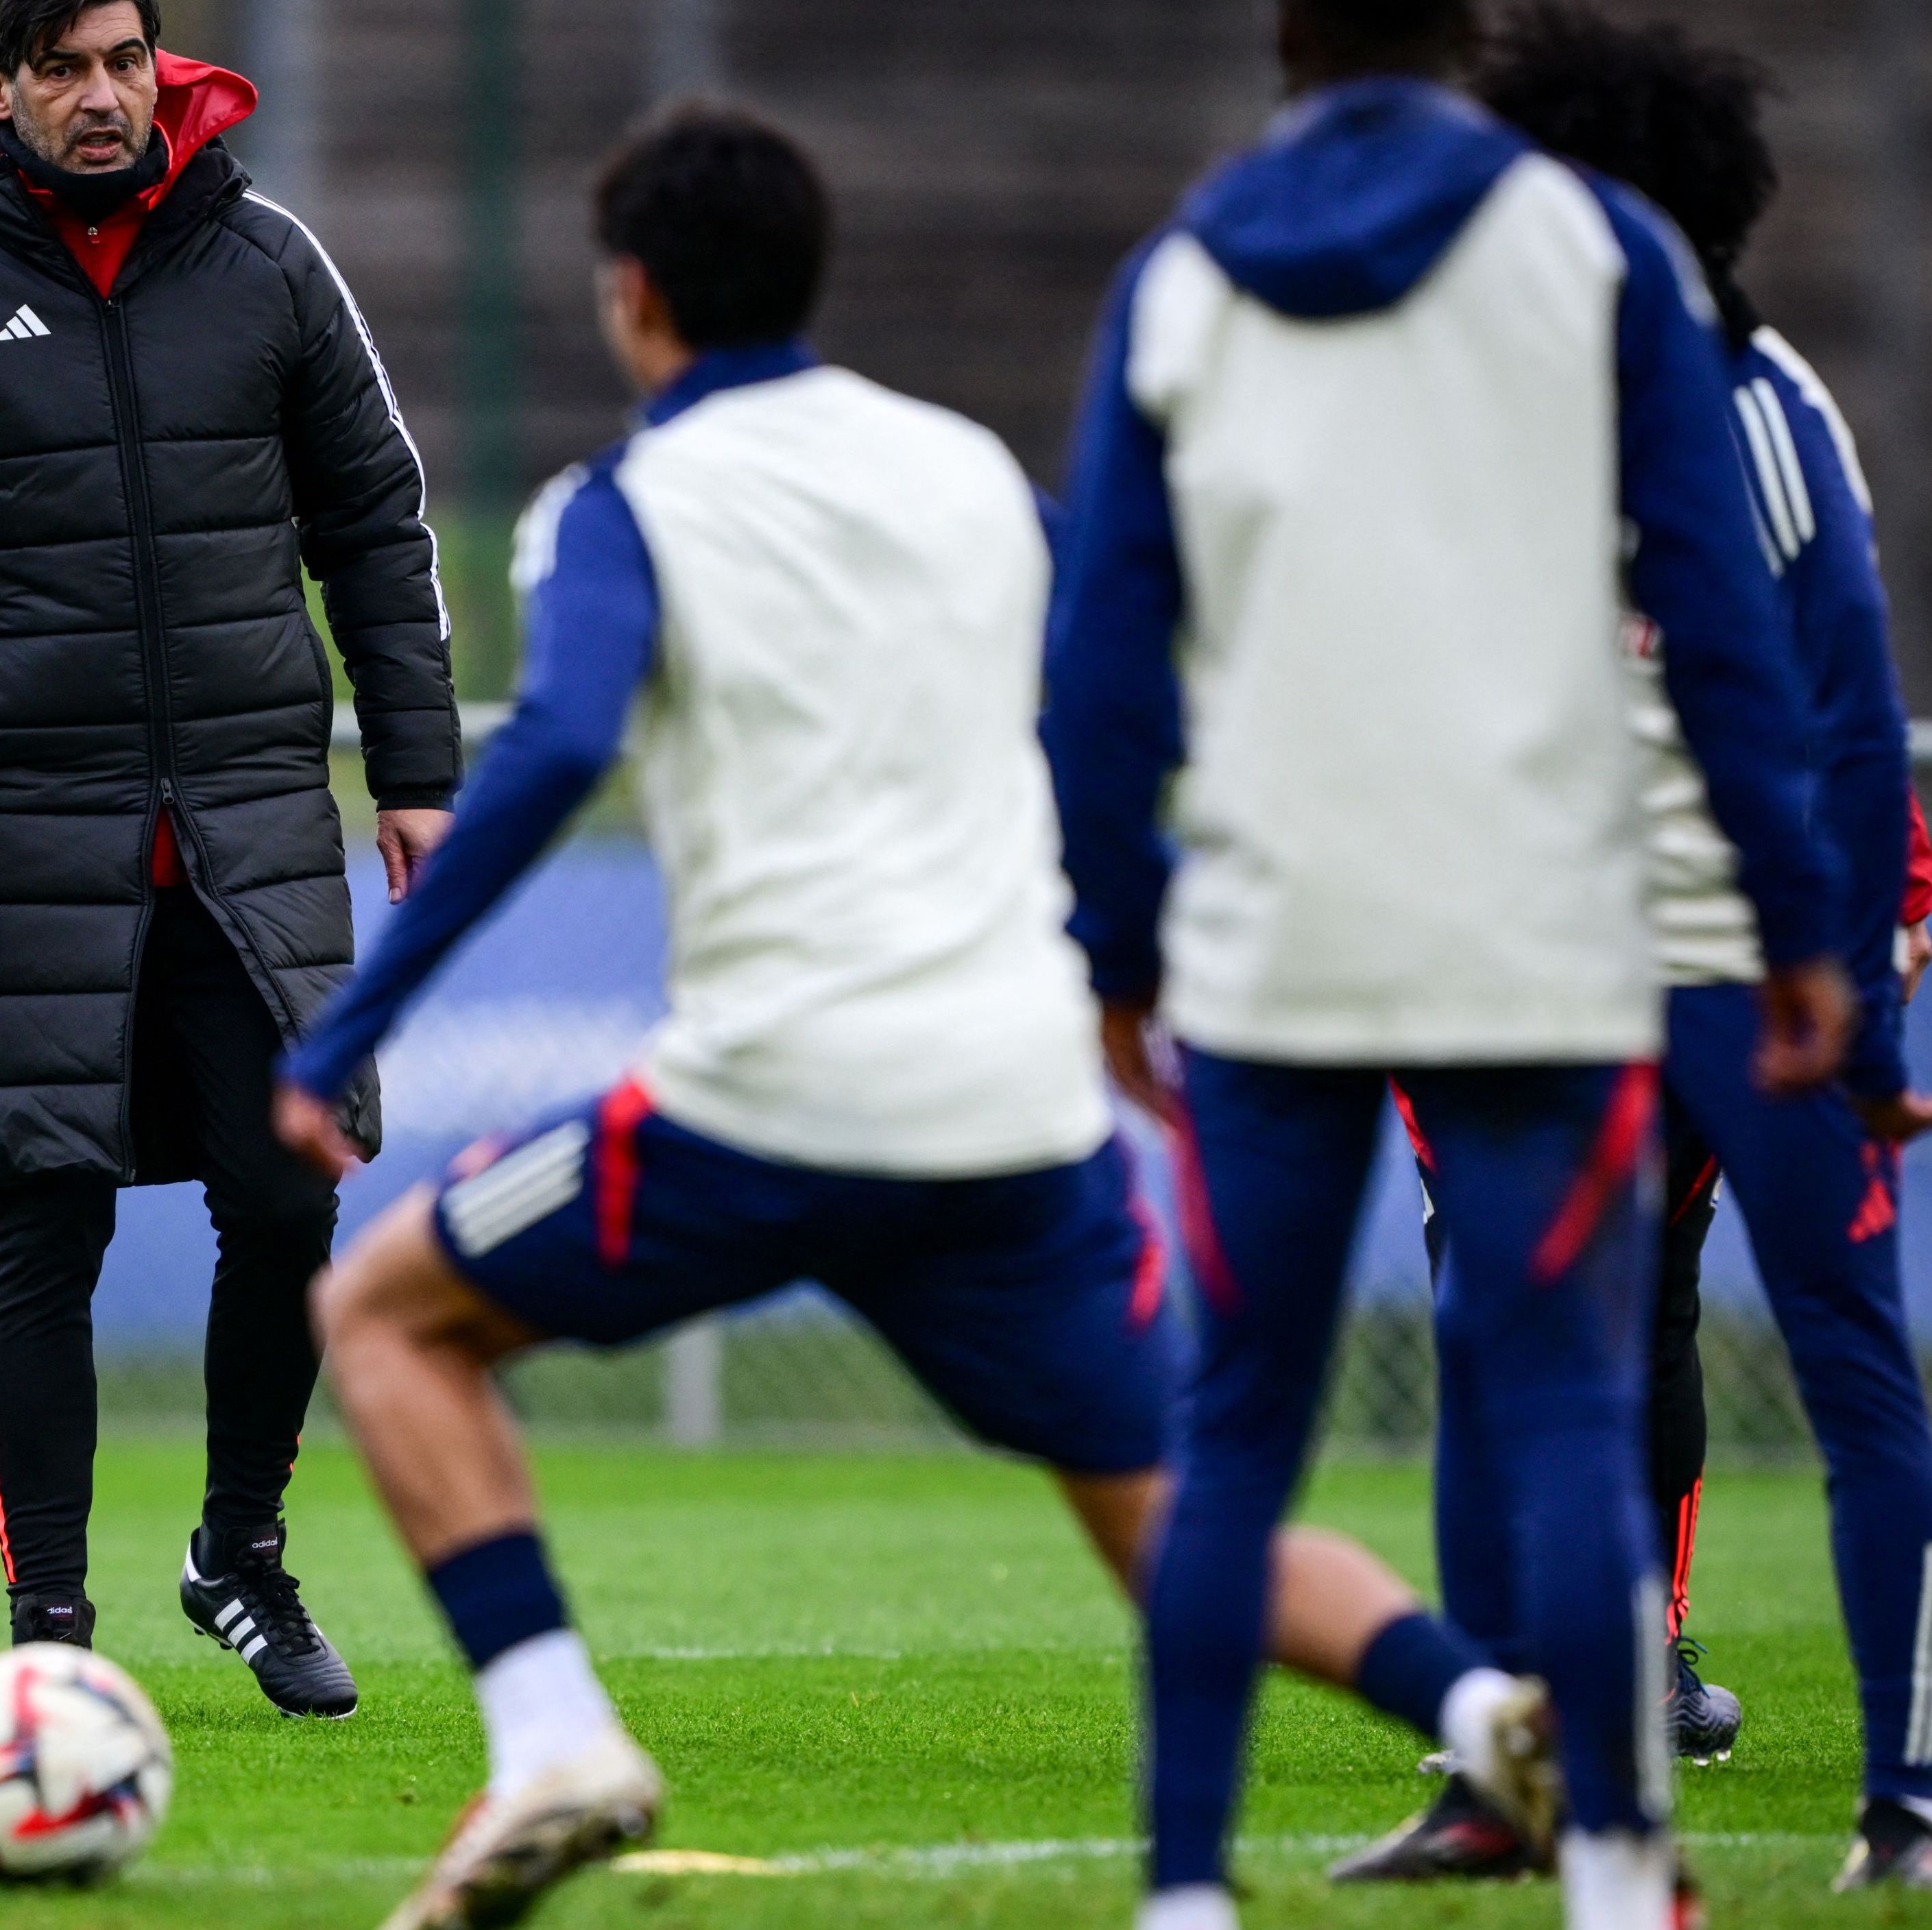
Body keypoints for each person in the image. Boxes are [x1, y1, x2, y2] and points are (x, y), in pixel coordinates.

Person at [279, 108, 1534, 1930]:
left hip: (769, 1104)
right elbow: (1123, 710)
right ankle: (1488, 1710)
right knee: (1165, 1523)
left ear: (631, 299)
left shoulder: (621, 505)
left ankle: (553, 1739)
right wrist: (1133, 955)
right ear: (812, 273)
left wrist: (348, 1025)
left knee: (384, 1312)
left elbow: (558, 740)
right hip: (1008, 1112)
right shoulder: (966, 475)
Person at [1043, 0, 1864, 1922]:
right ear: (1459, 43)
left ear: (1283, 44)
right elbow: (1711, 613)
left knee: (1232, 1431)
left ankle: (1180, 1893)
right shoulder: (1598, 253)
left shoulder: (1183, 273)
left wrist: (1117, 939)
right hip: (1531, 942)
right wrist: (1794, 911)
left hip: (1270, 944)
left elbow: (1099, 654)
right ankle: (1607, 1874)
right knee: (1567, 1411)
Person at [1329, 6, 1932, 1892]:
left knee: (1845, 1361)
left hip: (1747, 987)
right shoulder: (1483, 398)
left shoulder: (1763, 410)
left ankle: (1901, 1807)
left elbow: (1848, 720)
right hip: (1533, 978)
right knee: (1493, 1339)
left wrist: (1847, 974)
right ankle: (1495, 1774)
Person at [0, 0, 456, 1717]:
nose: (103, 98)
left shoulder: (275, 261)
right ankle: (52, 1634)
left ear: (166, 67)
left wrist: (419, 767)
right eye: (65, 70)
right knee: (41, 1226)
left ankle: (239, 1553)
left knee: (292, 1197)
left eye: (126, 62)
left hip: (253, 817)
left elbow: (378, 519)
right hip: (31, 824)